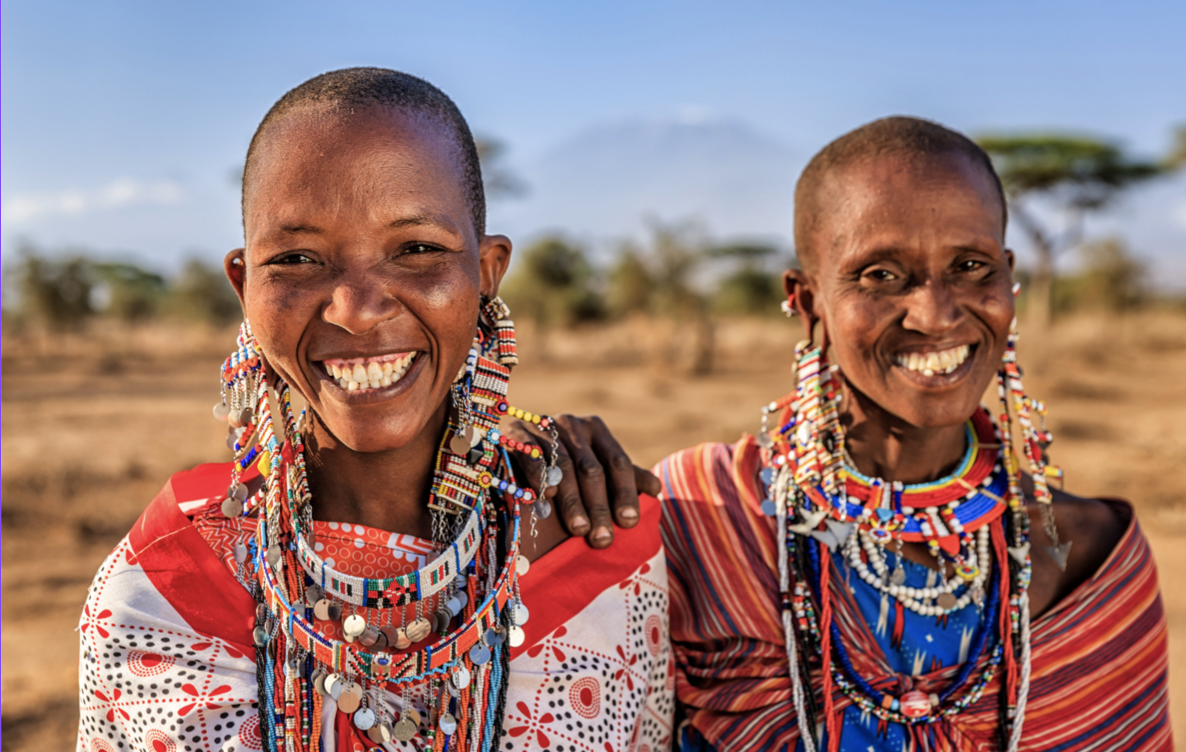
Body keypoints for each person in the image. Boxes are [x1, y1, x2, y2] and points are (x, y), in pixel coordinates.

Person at [76, 68, 673, 752]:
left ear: (486, 271)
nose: (356, 310)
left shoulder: (603, 555)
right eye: (298, 258)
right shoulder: (157, 595)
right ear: (245, 286)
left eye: (416, 249)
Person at [656, 117, 1173, 750]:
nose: (934, 315)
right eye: (880, 275)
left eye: (970, 266)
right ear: (807, 299)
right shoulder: (704, 516)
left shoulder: (1091, 561)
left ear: (1008, 280)